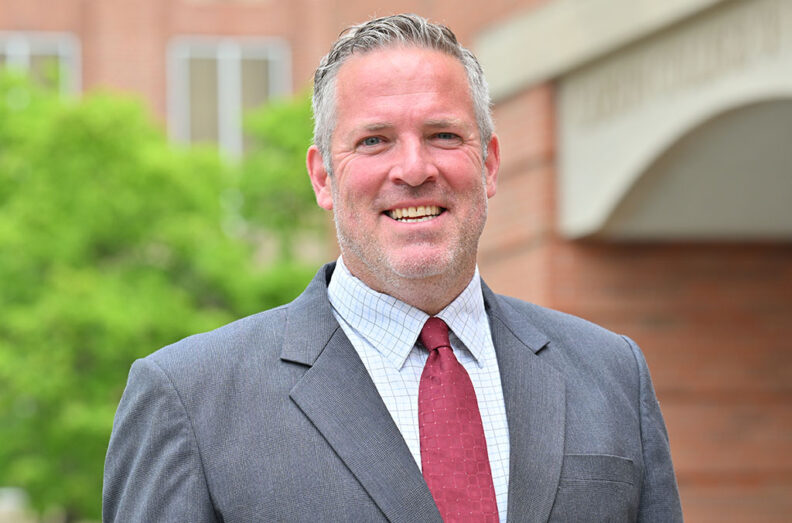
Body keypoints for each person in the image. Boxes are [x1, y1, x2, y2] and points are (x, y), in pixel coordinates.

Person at [103, 14, 683, 522]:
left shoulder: (612, 376)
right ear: (324, 176)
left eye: (443, 135)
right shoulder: (189, 399)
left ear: (489, 164)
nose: (413, 168)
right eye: (375, 140)